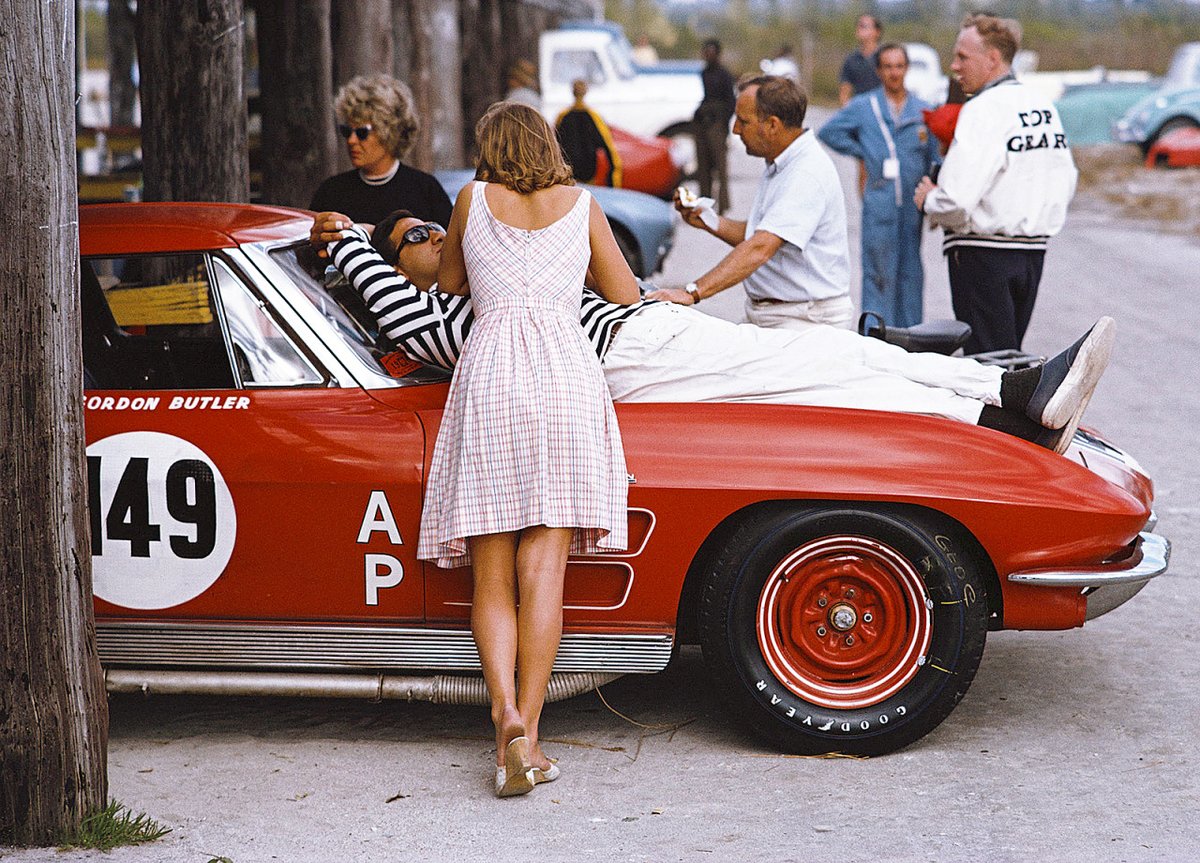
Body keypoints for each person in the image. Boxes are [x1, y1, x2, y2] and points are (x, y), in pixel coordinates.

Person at [311, 208, 1115, 456]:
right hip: (630, 358)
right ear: (396, 266)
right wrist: (348, 241)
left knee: (828, 358)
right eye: (416, 238)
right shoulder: (435, 314)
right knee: (827, 379)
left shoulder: (479, 282)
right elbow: (396, 309)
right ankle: (1005, 403)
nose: (436, 239)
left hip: (641, 335)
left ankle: (1006, 397)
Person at [417, 102, 639, 798]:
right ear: (548, 143)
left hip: (490, 378)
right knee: (544, 567)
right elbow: (626, 292)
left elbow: (446, 282)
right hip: (566, 380)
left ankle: (502, 715)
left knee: (491, 574)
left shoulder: (471, 198)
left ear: (488, 147)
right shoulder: (584, 205)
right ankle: (532, 738)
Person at [915, 14, 1077, 354]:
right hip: (1032, 252)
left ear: (992, 58)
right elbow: (1065, 178)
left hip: (982, 252)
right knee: (1010, 355)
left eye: (962, 56)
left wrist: (929, 199)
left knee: (987, 363)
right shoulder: (1042, 107)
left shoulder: (982, 109)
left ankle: (1002, 411)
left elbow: (956, 200)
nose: (954, 66)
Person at [651, 75, 854, 332]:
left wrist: (693, 292)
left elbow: (761, 247)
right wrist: (708, 220)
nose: (735, 130)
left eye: (743, 122)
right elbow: (762, 234)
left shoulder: (805, 174)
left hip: (805, 321)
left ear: (772, 125)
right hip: (777, 314)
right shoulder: (782, 161)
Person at [819, 44, 941, 329]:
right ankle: (875, 337)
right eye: (887, 67)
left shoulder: (923, 110)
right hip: (879, 201)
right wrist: (862, 151)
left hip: (912, 205)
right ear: (878, 71)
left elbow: (935, 155)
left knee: (910, 271)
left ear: (907, 69)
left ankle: (911, 337)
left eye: (899, 66)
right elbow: (829, 131)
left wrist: (935, 193)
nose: (894, 73)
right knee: (877, 271)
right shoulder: (865, 106)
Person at [309, 74, 452, 228]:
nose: (351, 140)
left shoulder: (425, 190)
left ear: (390, 132)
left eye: (362, 132)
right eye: (346, 131)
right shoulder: (331, 192)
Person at [694, 39, 736, 214]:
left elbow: (730, 102)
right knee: (703, 166)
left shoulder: (724, 75)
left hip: (717, 124)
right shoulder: (704, 73)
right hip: (704, 121)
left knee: (720, 167)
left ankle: (723, 205)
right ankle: (704, 203)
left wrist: (723, 124)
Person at [555, 79, 622, 187]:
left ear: (572, 92)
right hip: (587, 175)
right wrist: (613, 186)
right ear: (586, 92)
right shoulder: (594, 117)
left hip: (568, 177)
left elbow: (554, 146)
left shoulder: (563, 116)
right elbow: (610, 152)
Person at [839, 15, 883, 106]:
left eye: (864, 26)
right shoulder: (851, 60)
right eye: (858, 26)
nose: (859, 29)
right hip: (860, 110)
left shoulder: (884, 58)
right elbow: (844, 92)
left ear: (877, 32)